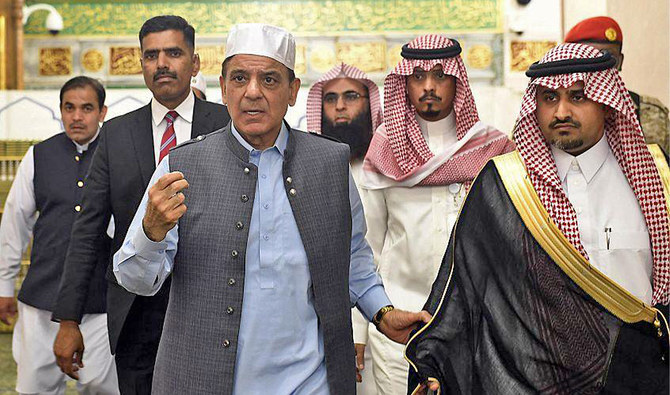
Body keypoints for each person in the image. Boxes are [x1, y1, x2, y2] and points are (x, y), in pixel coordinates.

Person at [113, 23, 430, 394]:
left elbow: (353, 260)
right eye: (240, 78)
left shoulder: (328, 164)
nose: (252, 93)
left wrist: (383, 314)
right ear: (224, 87)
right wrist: (151, 232)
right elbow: (135, 280)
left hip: (311, 382)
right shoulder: (182, 166)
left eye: (269, 80)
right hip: (205, 381)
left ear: (293, 91)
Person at [406, 43, 669, 394]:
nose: (561, 111)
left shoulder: (657, 177)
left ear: (606, 102)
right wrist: (433, 362)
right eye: (548, 98)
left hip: (640, 376)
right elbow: (464, 288)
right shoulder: (505, 185)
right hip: (535, 382)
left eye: (578, 96)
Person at [51, 15, 230, 395]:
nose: (162, 63)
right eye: (151, 55)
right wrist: (69, 319)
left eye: (173, 53)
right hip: (136, 313)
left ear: (195, 63)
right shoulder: (115, 134)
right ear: (141, 63)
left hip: (212, 310)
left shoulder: (226, 125)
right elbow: (88, 230)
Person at [355, 34, 514, 394]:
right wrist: (359, 328)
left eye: (440, 75)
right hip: (399, 327)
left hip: (477, 326)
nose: (429, 86)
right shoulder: (385, 149)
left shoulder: (492, 148)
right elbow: (366, 249)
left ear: (457, 79)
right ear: (404, 83)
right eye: (418, 76)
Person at [0, 76, 119, 394]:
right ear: (60, 110)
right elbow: (15, 224)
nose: (77, 116)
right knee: (34, 387)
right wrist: (4, 286)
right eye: (69, 108)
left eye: (86, 108)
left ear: (102, 112)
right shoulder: (38, 156)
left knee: (102, 387)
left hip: (101, 302)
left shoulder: (119, 157)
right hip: (42, 299)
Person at [306, 62, 383, 393]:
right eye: (331, 98)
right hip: (323, 326)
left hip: (388, 317)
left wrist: (362, 327)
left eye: (351, 96)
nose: (340, 106)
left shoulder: (389, 170)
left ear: (369, 104)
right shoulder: (307, 173)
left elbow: (376, 252)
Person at [565, 16, 669, 153]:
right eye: (590, 58)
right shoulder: (557, 112)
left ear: (620, 61)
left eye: (608, 58)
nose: (600, 67)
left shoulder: (651, 112)